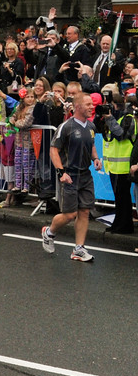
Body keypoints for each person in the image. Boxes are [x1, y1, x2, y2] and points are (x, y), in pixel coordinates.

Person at [41, 92, 100, 261]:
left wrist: (95, 158)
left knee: (84, 211)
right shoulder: (66, 126)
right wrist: (61, 172)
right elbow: (54, 150)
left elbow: (92, 144)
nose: (92, 107)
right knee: (69, 214)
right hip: (70, 175)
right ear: (78, 106)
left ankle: (78, 249)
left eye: (92, 104)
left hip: (85, 174)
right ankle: (49, 232)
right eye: (88, 104)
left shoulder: (91, 127)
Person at [99, 93, 135, 234]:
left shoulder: (128, 119)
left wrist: (110, 119)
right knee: (118, 197)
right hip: (114, 165)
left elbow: (120, 135)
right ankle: (118, 223)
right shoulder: (117, 118)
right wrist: (102, 118)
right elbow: (106, 135)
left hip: (124, 166)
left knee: (123, 197)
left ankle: (125, 226)